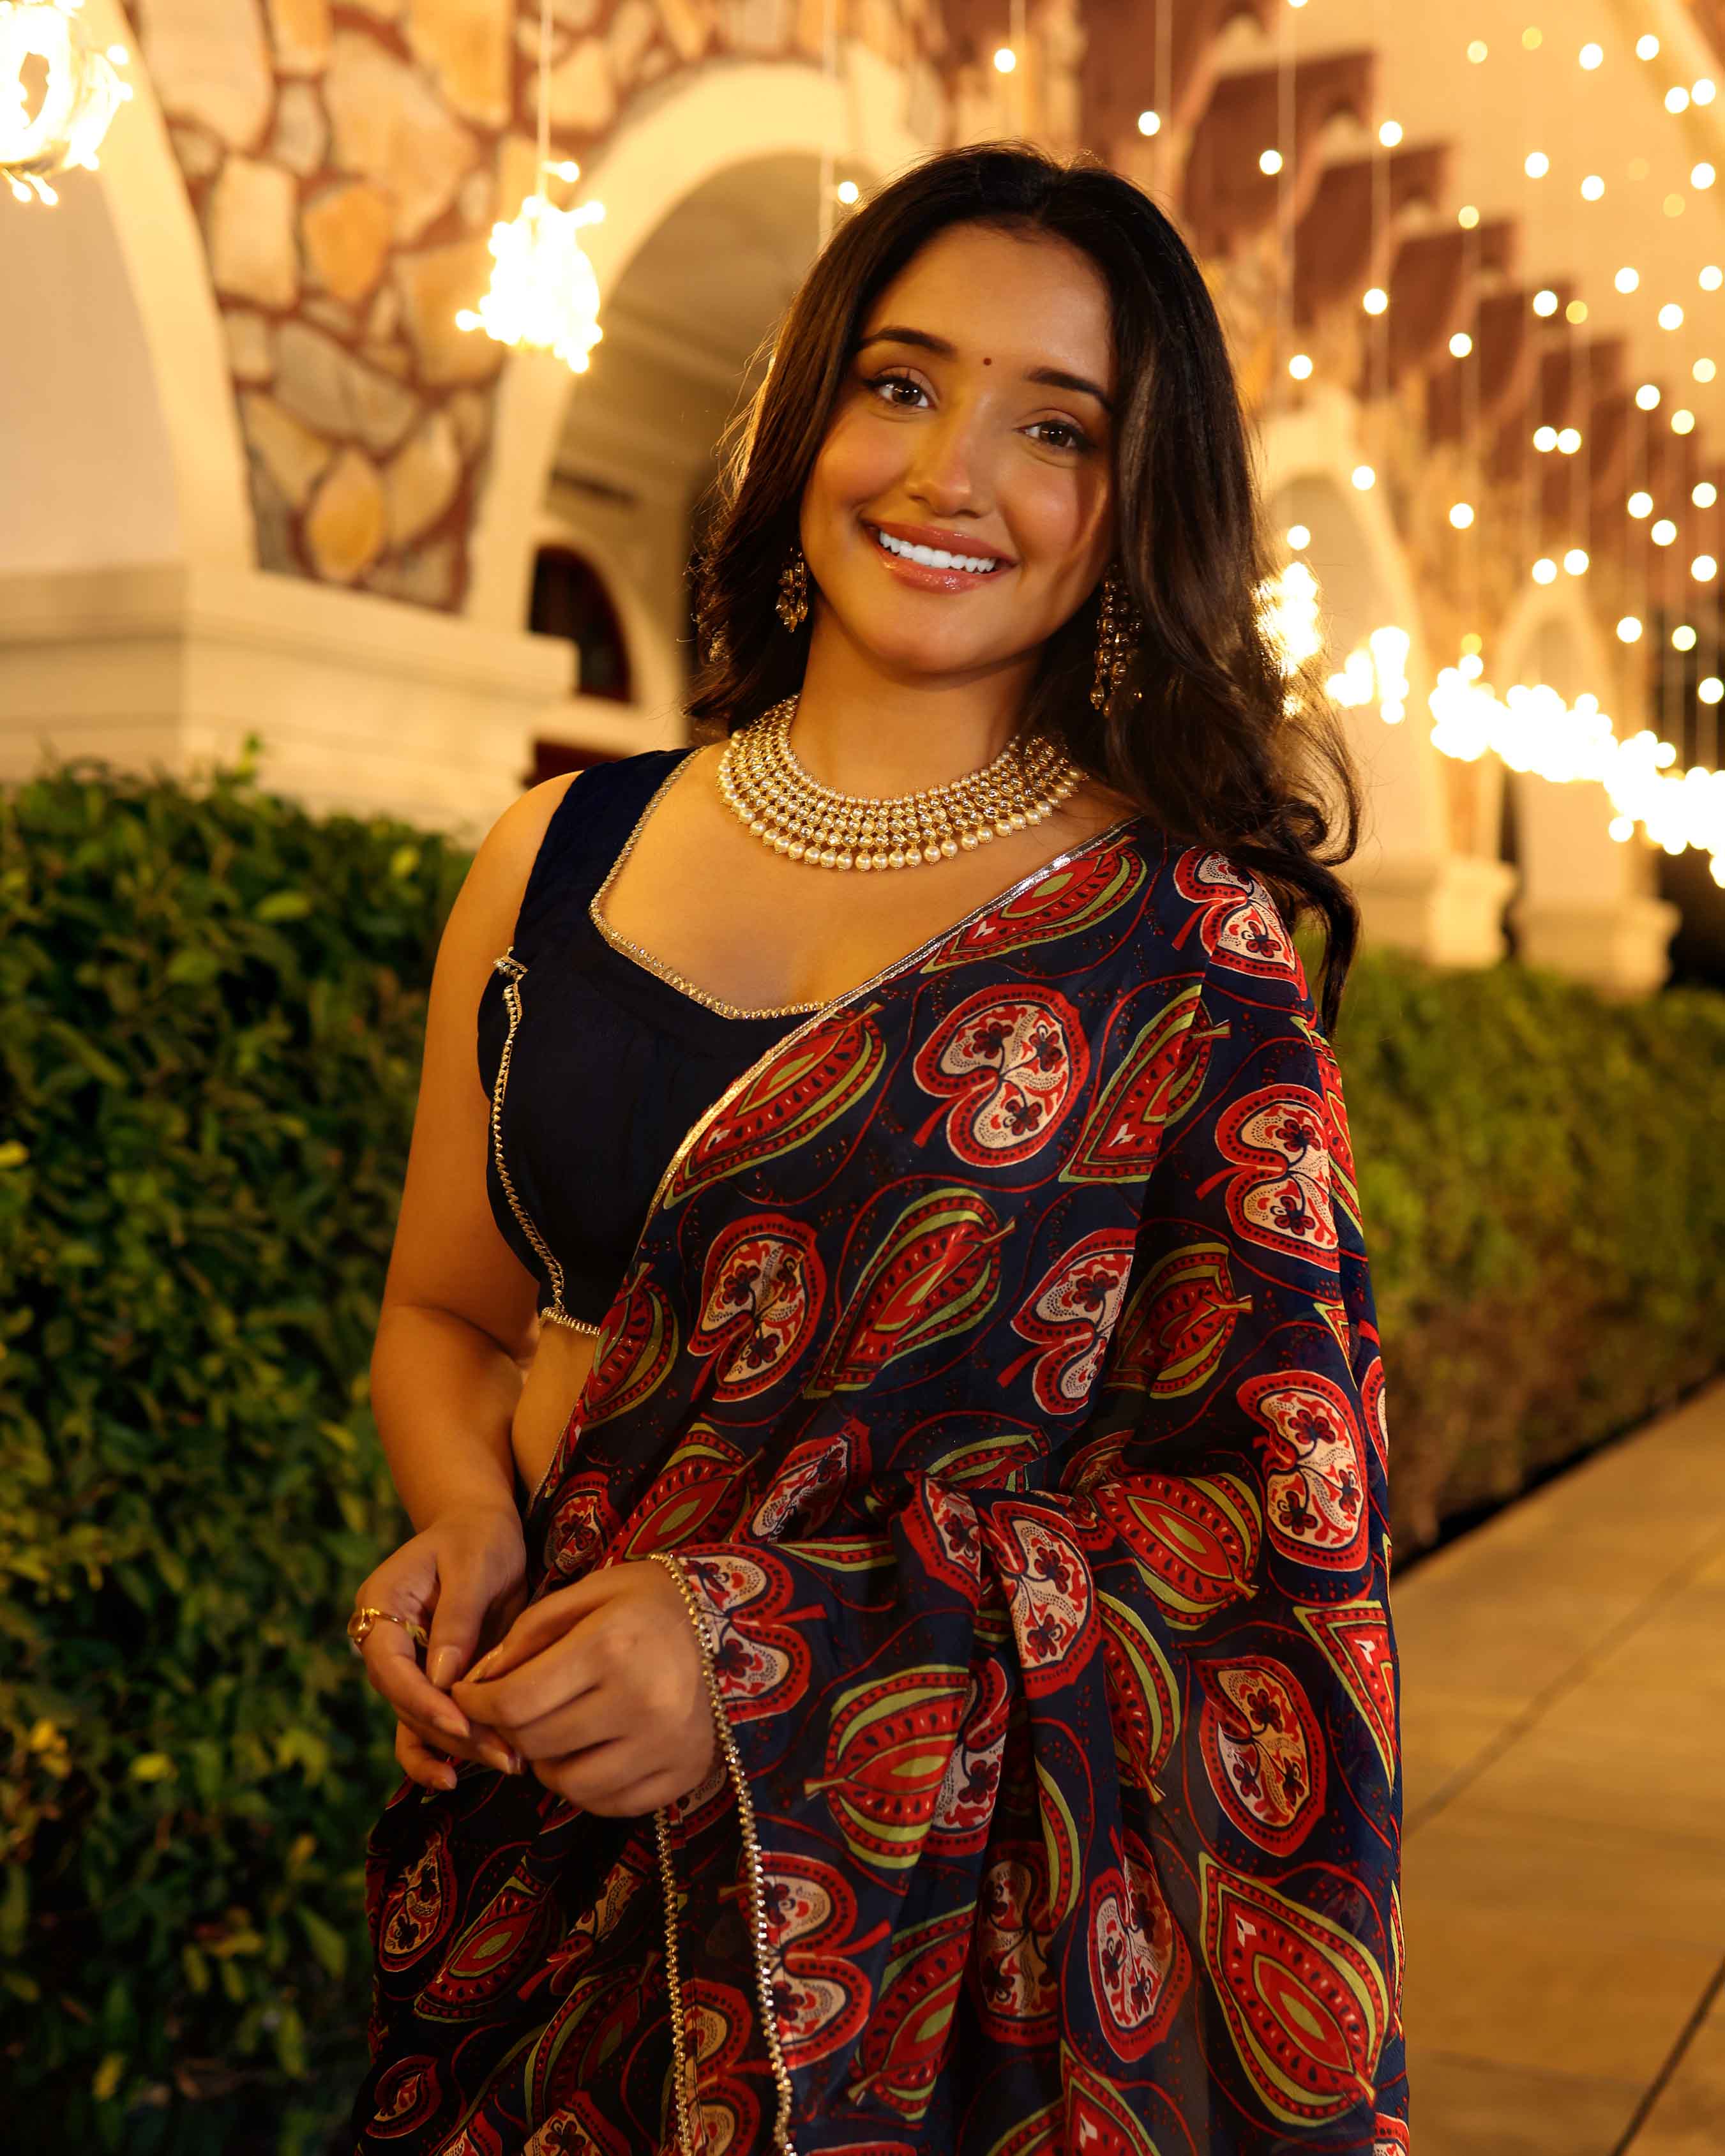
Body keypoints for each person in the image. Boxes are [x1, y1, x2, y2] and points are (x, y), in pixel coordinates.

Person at [347, 140, 1408, 2156]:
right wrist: (467, 1522)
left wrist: (749, 1647)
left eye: (1055, 427)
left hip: (929, 1958)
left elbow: (1267, 1538)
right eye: (899, 383)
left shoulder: (1183, 951)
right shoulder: (554, 854)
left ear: (1135, 504)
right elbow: (448, 1313)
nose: (946, 474)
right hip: (528, 1825)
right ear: (805, 412)